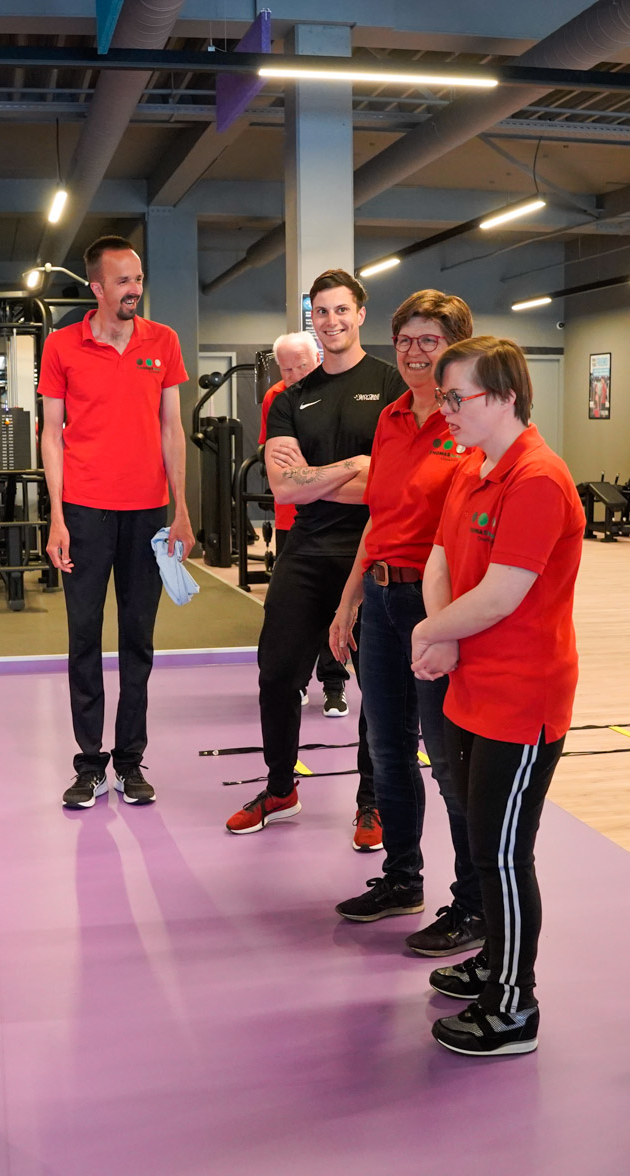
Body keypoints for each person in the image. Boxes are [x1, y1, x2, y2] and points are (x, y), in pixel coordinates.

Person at [410, 337, 583, 1056]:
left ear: (507, 396)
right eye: (443, 397)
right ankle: (493, 963)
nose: (445, 410)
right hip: (470, 687)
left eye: (458, 397)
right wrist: (446, 637)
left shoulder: (538, 479)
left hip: (521, 697)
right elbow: (441, 560)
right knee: (483, 845)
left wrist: (432, 631)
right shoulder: (471, 467)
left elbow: (503, 594)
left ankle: (514, 1006)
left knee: (504, 854)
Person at [327, 290, 483, 954]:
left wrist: (445, 623)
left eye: (429, 341)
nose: (414, 353)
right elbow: (379, 518)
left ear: (455, 348)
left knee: (447, 762)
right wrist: (349, 600)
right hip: (383, 599)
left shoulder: (468, 422)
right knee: (387, 750)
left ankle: (473, 905)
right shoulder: (390, 418)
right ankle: (401, 879)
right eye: (405, 341)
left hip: (435, 605)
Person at [224, 269, 403, 844]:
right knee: (277, 672)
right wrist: (356, 467)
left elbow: (393, 486)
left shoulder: (394, 387)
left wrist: (318, 478)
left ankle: (373, 801)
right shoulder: (291, 398)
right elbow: (285, 487)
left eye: (341, 309)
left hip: (373, 548)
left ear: (361, 314)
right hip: (305, 551)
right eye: (321, 312)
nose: (331, 321)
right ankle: (280, 789)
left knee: (378, 685)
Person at [40, 235, 193, 810]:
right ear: (97, 288)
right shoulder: (61, 345)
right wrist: (56, 517)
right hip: (84, 512)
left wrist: (181, 509)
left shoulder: (163, 341)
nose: (135, 289)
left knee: (138, 639)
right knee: (83, 637)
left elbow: (171, 428)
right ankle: (90, 764)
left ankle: (129, 761)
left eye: (138, 278)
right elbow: (50, 434)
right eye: (123, 281)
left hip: (148, 512)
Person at [261, 331, 354, 722]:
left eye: (301, 365)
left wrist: (311, 476)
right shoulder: (279, 399)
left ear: (316, 357)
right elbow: (284, 474)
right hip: (294, 521)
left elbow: (369, 472)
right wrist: (335, 472)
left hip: (346, 522)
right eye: (286, 369)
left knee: (340, 609)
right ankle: (297, 682)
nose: (295, 374)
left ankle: (334, 685)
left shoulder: (343, 393)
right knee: (296, 615)